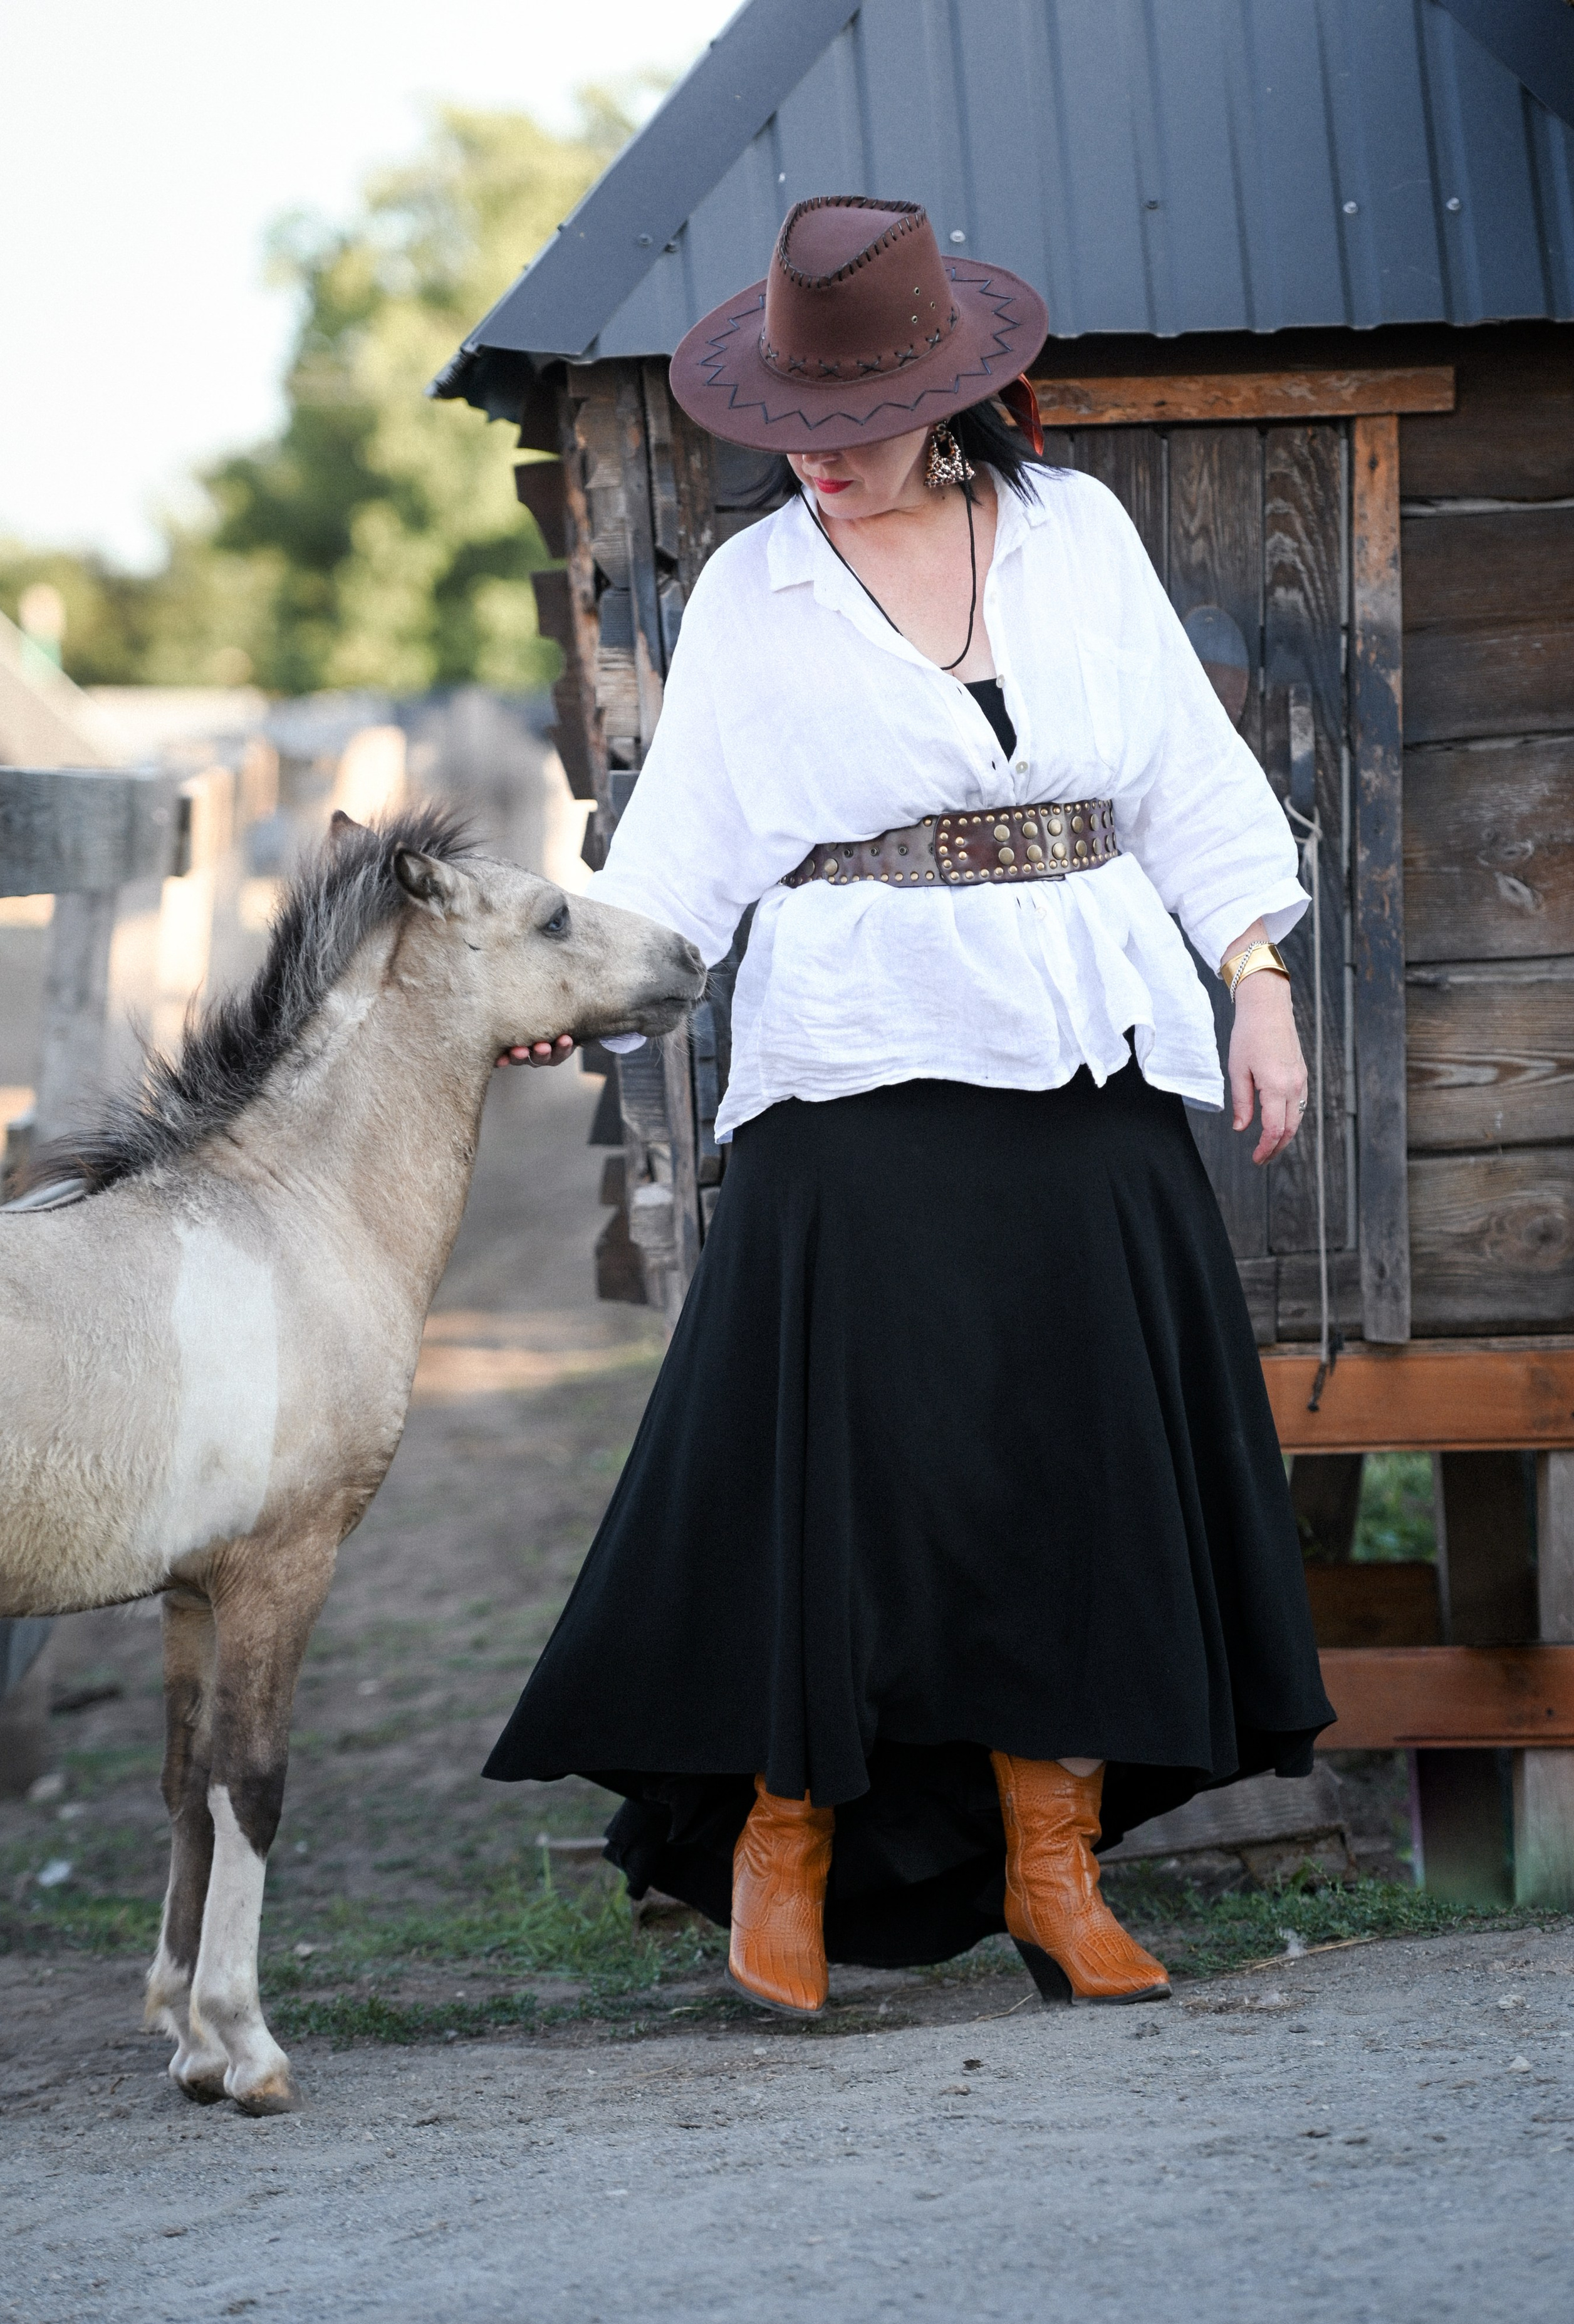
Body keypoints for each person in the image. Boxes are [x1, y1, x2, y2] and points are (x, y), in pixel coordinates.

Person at [488, 196, 1332, 2015]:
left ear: (950, 402)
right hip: (857, 1065)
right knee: (845, 1485)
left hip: (1087, 1045)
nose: (818, 468)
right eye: (789, 435)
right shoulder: (755, 590)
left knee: (1079, 1475)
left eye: (852, 430)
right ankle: (779, 1860)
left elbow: (1193, 776)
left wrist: (1254, 980)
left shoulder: (1077, 539)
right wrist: (569, 996)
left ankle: (1054, 1873)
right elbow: (686, 855)